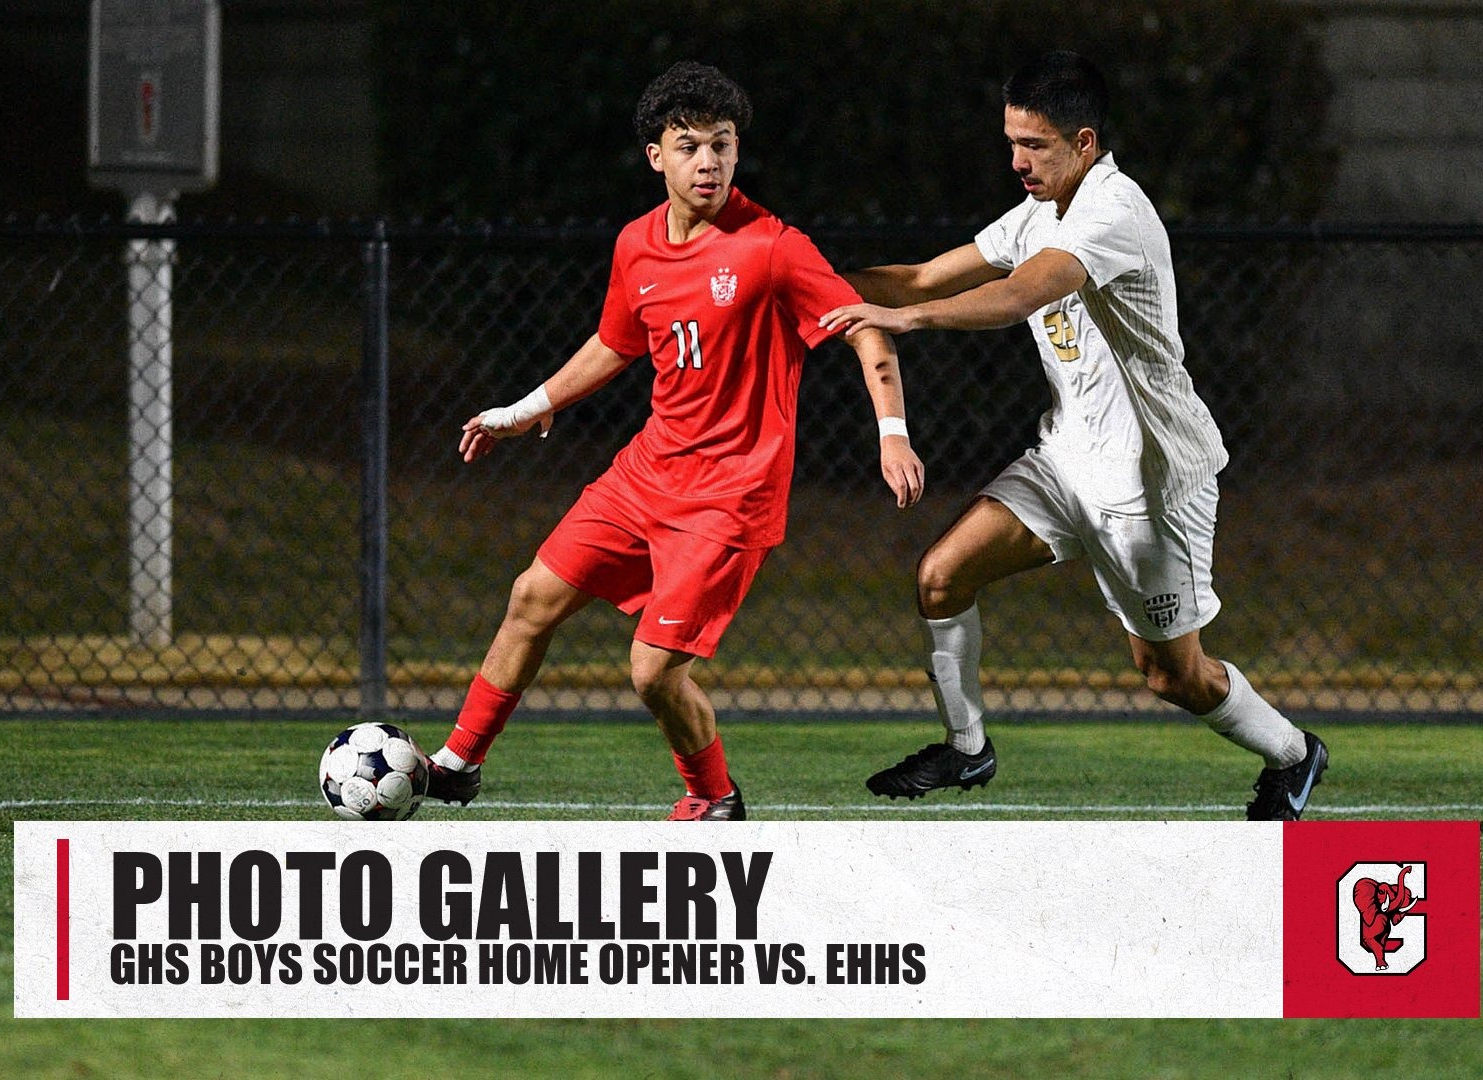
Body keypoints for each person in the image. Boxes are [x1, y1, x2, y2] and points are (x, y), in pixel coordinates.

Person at [818, 50, 1328, 820]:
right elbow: (922, 276)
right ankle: (966, 749)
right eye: (1012, 143)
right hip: (1065, 461)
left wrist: (907, 320)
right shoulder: (1037, 211)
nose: (1018, 161)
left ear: (1084, 142)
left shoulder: (1114, 212)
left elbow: (1021, 292)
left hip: (1152, 483)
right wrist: (800, 273)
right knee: (941, 576)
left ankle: (1293, 752)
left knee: (1172, 677)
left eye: (1036, 146)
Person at [424, 61, 925, 821]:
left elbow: (865, 329)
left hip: (731, 496)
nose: (709, 162)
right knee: (531, 597)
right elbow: (615, 342)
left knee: (654, 673)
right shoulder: (636, 245)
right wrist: (530, 406)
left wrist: (892, 435)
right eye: (689, 146)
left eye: (722, 145)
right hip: (647, 474)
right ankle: (458, 764)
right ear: (655, 156)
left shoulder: (772, 247)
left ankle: (714, 796)